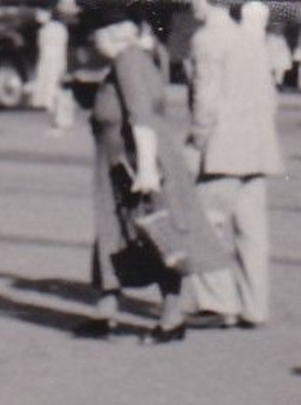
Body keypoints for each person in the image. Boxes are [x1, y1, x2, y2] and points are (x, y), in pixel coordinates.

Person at [80, 5, 227, 342]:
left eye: (95, 34)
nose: (92, 41)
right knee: (118, 236)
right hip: (120, 168)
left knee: (156, 239)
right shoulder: (138, 57)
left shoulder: (128, 60)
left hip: (135, 168)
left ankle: (171, 320)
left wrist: (145, 169)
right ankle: (106, 312)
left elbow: (141, 117)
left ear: (112, 33)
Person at [187, 0, 284, 328]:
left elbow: (205, 99)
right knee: (252, 231)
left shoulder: (206, 39)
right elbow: (270, 96)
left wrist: (197, 142)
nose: (190, 5)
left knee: (205, 224)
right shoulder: (249, 38)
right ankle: (255, 306)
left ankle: (218, 302)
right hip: (256, 147)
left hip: (221, 148)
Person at [31, 7, 72, 133]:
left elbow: (42, 46)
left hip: (48, 61)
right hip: (57, 61)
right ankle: (59, 121)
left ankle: (58, 122)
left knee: (51, 92)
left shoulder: (45, 30)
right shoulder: (62, 30)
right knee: (56, 91)